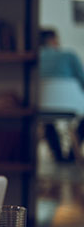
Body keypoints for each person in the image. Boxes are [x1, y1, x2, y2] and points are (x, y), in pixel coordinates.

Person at [39, 28, 84, 161]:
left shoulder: (34, 57)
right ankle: (71, 155)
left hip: (41, 107)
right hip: (69, 107)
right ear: (54, 40)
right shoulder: (69, 56)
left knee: (48, 121)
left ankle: (58, 156)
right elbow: (82, 79)